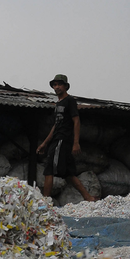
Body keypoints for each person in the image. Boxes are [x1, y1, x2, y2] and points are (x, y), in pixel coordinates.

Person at [37, 74, 98, 202]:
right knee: (68, 173)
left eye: (59, 84)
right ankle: (88, 197)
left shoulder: (69, 101)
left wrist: (76, 142)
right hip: (57, 139)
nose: (57, 87)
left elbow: (76, 121)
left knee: (49, 168)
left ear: (65, 86)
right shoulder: (58, 103)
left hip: (63, 140)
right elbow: (56, 125)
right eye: (55, 85)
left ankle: (45, 202)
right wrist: (45, 143)